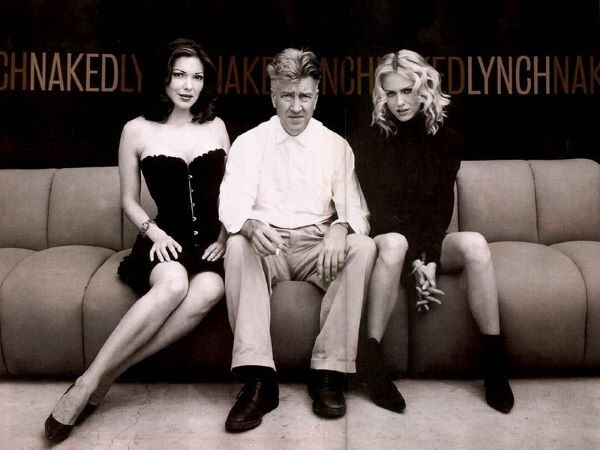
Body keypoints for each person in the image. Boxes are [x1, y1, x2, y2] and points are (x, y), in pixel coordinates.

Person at [44, 38, 230, 442]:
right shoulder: (136, 130)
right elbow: (129, 200)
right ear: (164, 78)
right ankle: (86, 383)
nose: (188, 86)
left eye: (197, 77)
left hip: (209, 245)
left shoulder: (216, 126)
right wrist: (154, 232)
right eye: (179, 75)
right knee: (175, 283)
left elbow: (232, 191)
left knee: (211, 289)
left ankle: (109, 375)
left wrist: (225, 235)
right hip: (162, 239)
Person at [219, 48, 376, 431]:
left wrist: (340, 227)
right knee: (237, 243)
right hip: (267, 242)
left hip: (315, 245)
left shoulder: (335, 145)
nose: (295, 106)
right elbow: (231, 203)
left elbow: (357, 212)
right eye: (287, 95)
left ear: (316, 96)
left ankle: (329, 374)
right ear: (272, 95)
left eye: (304, 96)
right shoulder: (249, 142)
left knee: (363, 247)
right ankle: (258, 379)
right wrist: (249, 225)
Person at [354, 49, 514, 414]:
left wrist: (430, 261)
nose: (399, 102)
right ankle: (372, 361)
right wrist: (415, 261)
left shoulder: (446, 138)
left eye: (407, 91)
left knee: (475, 245)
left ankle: (494, 365)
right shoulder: (369, 140)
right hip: (389, 239)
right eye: (390, 93)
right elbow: (382, 214)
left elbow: (440, 210)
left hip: (429, 241)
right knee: (395, 244)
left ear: (424, 88)